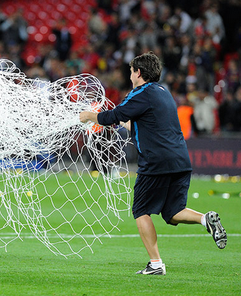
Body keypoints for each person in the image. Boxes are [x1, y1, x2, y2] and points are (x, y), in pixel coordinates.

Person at [79, 52, 227, 275]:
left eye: (131, 72)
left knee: (140, 210)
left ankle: (156, 264)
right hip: (180, 160)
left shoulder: (141, 93)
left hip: (157, 162)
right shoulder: (163, 92)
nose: (129, 76)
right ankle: (205, 219)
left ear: (138, 72)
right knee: (173, 211)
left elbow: (115, 115)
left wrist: (90, 116)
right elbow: (143, 124)